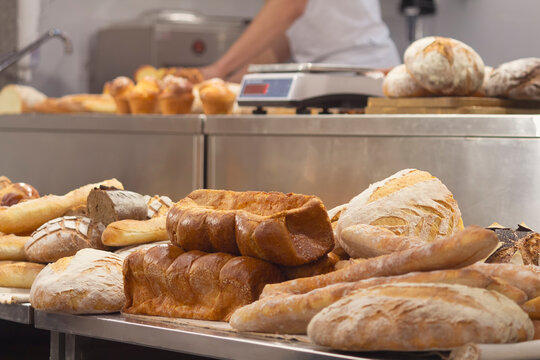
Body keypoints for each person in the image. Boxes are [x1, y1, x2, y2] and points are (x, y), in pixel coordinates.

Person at [200, 0, 400, 82]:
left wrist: (218, 69)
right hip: (329, 78)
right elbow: (285, 40)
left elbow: (290, 5)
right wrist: (228, 85)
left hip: (362, 74)